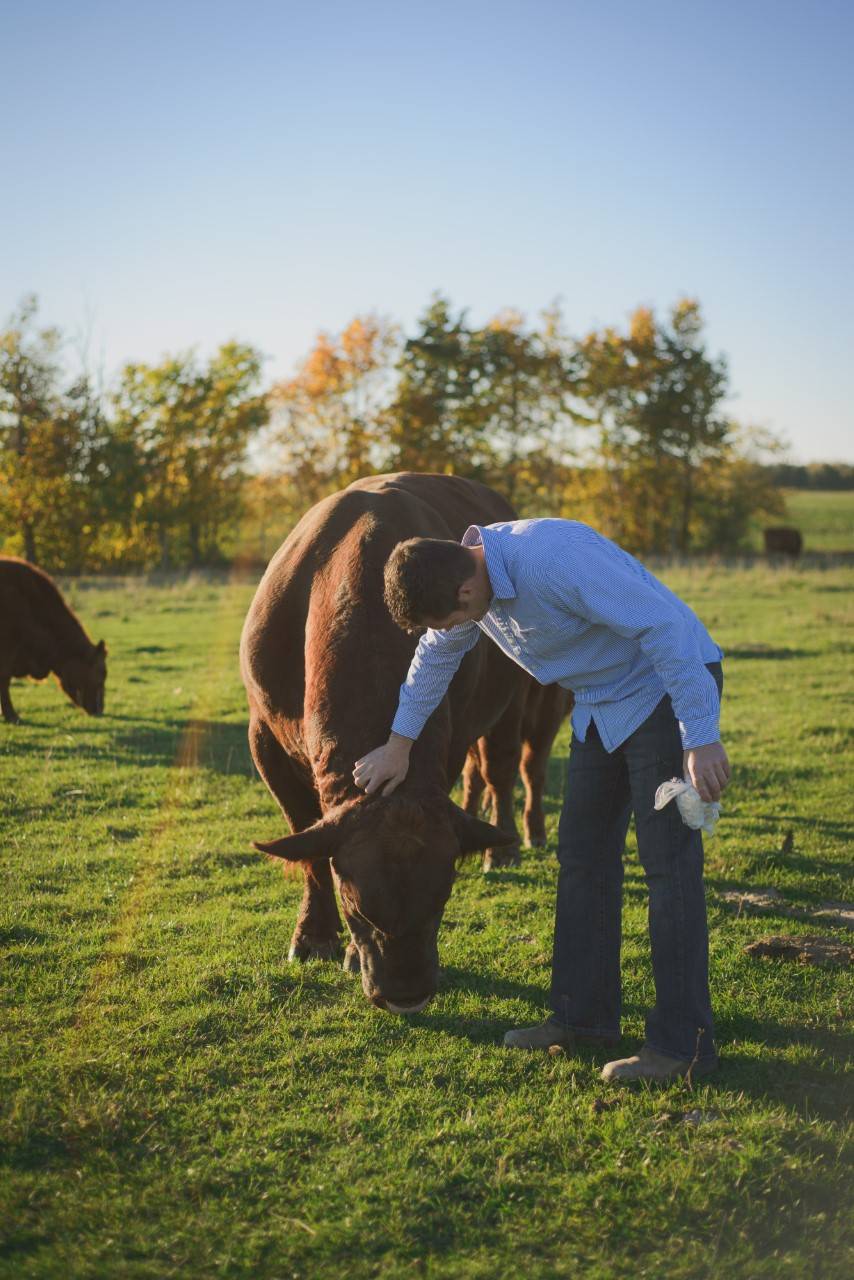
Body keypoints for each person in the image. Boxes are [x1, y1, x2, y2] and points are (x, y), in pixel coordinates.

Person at [353, 518, 730, 1084]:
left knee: (666, 867)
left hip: (663, 689)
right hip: (601, 700)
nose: (453, 629)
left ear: (465, 590)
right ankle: (583, 1019)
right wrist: (398, 746)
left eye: (453, 618)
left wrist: (698, 733)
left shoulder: (551, 557)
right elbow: (435, 657)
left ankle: (683, 1047)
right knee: (581, 859)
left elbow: (665, 626)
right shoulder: (464, 583)